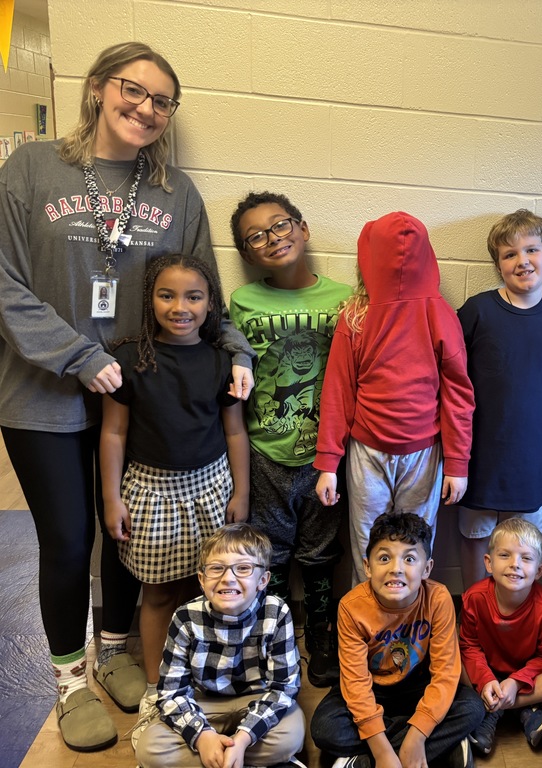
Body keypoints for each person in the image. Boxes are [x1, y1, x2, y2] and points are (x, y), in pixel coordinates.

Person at [0, 41, 253, 752]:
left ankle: (114, 650)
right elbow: (3, 281)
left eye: (161, 100)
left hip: (140, 396)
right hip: (43, 392)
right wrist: (80, 356)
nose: (145, 107)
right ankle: (68, 678)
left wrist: (236, 352)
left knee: (124, 528)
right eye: (131, 89)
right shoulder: (32, 168)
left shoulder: (176, 193)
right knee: (67, 539)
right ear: (98, 88)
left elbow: (205, 293)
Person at [99, 253, 250, 741]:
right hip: (150, 493)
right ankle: (156, 687)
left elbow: (234, 432)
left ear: (210, 305)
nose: (180, 307)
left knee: (202, 589)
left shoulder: (222, 362)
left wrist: (242, 492)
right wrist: (111, 499)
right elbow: (113, 433)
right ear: (150, 299)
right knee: (160, 592)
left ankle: (196, 678)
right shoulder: (128, 361)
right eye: (167, 295)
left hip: (211, 488)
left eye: (193, 297)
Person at [229, 191, 353, 687]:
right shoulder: (243, 302)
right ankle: (276, 638)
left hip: (327, 454)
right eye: (255, 236)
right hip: (266, 451)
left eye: (280, 225)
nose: (272, 239)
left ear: (303, 228)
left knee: (321, 553)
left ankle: (322, 636)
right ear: (246, 253)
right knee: (272, 553)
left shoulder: (344, 298)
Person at [314, 212, 475, 585]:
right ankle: (367, 617)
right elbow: (338, 390)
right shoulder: (355, 316)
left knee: (415, 545)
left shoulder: (439, 313)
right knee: (368, 545)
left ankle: (411, 618)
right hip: (367, 451)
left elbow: (458, 394)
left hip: (423, 452)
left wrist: (457, 463)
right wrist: (328, 462)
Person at [457, 209, 542, 588]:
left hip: (531, 459)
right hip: (479, 454)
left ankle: (516, 615)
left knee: (523, 547)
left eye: (531, 250)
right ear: (498, 266)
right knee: (476, 539)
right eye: (510, 254)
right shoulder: (477, 311)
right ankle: (474, 613)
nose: (522, 261)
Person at [310, 511, 485, 768]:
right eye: (384, 558)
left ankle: (367, 758)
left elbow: (446, 674)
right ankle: (435, 747)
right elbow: (355, 684)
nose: (396, 569)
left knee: (472, 707)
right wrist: (382, 751)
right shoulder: (350, 607)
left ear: (426, 569)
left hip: (419, 686)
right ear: (367, 567)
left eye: (410, 559)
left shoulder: (438, 598)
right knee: (324, 728)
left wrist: (418, 734)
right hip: (371, 688)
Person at [135, 523, 304, 768]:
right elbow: (172, 692)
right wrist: (202, 737)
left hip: (257, 698)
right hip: (204, 702)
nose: (228, 578)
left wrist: (244, 738)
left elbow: (284, 687)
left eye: (243, 568)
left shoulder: (277, 612)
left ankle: (224, 757)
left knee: (291, 735)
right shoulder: (185, 617)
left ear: (263, 580)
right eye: (216, 568)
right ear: (202, 580)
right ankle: (231, 758)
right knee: (149, 749)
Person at [459, 518, 542, 755]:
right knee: (449, 654)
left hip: (528, 678)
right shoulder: (474, 598)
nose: (515, 564)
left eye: (526, 558)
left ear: (540, 570)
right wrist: (485, 679)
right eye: (504, 555)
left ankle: (497, 709)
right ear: (488, 563)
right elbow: (470, 647)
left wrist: (516, 682)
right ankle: (523, 710)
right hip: (485, 671)